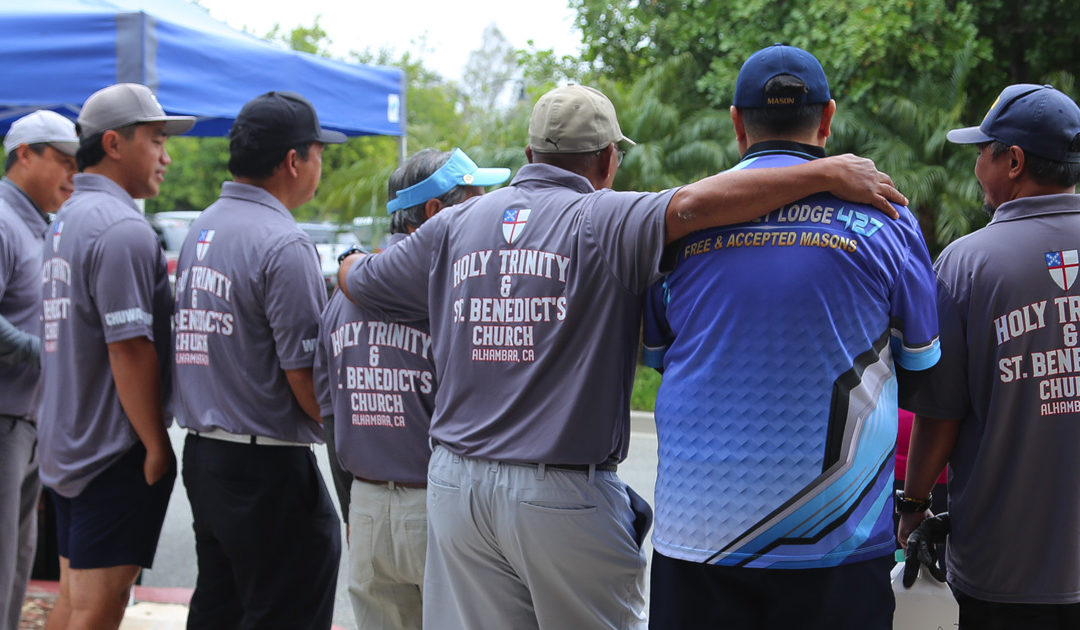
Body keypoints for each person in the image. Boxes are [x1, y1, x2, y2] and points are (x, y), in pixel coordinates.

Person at [337, 82, 906, 629]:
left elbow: (364, 282)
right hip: (557, 495)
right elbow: (695, 206)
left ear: (529, 153)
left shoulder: (456, 224)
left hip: (457, 489)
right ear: (609, 159)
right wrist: (825, 172)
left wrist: (347, 260)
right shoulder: (604, 218)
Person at [639, 44, 941, 629]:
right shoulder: (887, 215)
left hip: (697, 539)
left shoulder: (678, 221)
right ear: (827, 119)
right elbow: (922, 367)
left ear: (735, 123)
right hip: (838, 547)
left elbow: (662, 357)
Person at [899, 83, 1080, 628]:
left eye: (983, 149)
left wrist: (913, 506)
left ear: (1014, 160)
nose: (977, 163)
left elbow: (940, 415)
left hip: (1005, 569)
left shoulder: (967, 265)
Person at [315, 147, 509, 630]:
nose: (485, 208)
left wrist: (354, 511)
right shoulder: (447, 292)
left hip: (367, 507)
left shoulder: (341, 298)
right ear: (434, 213)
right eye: (475, 198)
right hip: (437, 508)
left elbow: (332, 415)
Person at [173, 91, 343, 629]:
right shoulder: (283, 243)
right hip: (266, 468)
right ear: (294, 160)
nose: (321, 167)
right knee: (286, 607)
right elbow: (304, 377)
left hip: (206, 458)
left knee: (219, 608)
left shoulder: (203, 227)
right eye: (320, 154)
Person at [36, 83, 193, 629]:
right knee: (100, 608)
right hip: (111, 448)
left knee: (76, 598)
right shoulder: (122, 228)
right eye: (156, 140)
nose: (166, 156)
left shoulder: (65, 221)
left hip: (68, 441)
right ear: (114, 143)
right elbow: (129, 348)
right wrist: (155, 444)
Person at [0, 110, 77, 630]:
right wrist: (53, 354)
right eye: (64, 160)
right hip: (5, 420)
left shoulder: (36, 225)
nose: (73, 174)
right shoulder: (4, 223)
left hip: (27, 422)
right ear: (24, 154)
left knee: (18, 563)